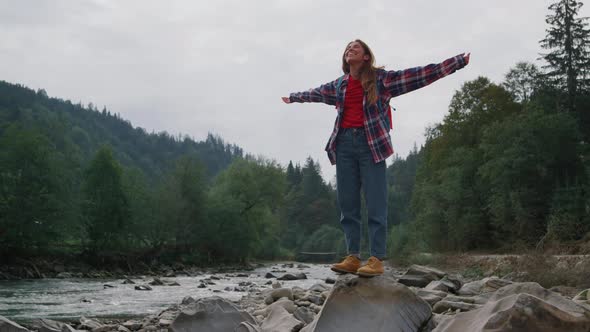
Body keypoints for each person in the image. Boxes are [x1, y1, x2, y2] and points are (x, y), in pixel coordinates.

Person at [282, 39, 469, 277]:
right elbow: (316, 93)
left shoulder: (382, 80)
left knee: (375, 203)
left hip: (372, 145)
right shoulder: (339, 85)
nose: (350, 49)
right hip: (344, 146)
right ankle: (352, 257)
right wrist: (294, 97)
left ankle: (376, 259)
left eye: (355, 47)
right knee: (347, 204)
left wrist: (456, 63)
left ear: (366, 57)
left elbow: (420, 75)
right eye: (348, 47)